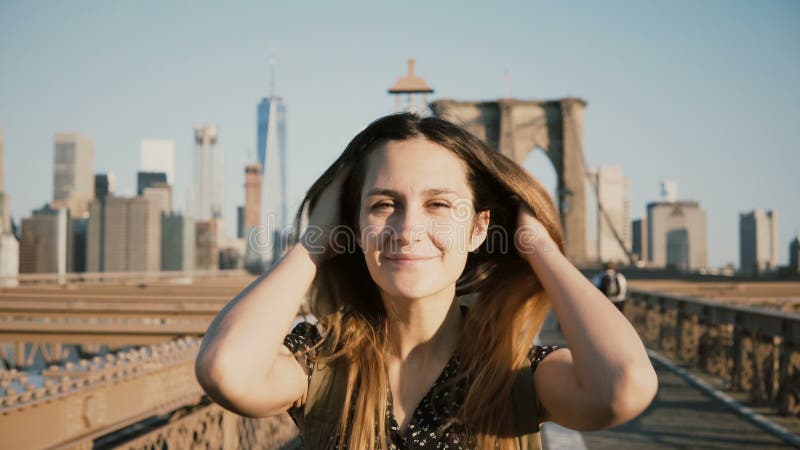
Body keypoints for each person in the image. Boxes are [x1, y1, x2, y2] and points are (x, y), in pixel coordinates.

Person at [194, 113, 657, 450]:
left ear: (479, 228)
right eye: (382, 205)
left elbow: (625, 386)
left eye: (438, 204)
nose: (408, 228)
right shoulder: (322, 362)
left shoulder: (515, 372)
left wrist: (538, 246)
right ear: (352, 228)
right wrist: (314, 241)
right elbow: (224, 370)